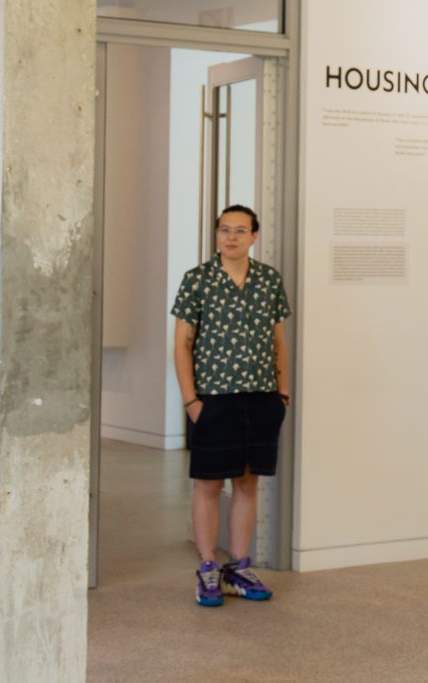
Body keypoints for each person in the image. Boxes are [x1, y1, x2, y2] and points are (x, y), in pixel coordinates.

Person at [171, 204, 292, 607]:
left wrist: (282, 393)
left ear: (254, 236)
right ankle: (208, 568)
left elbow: (278, 341)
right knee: (208, 484)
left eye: (240, 230)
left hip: (261, 397)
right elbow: (182, 345)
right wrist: (191, 401)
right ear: (217, 234)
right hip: (212, 399)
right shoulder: (197, 280)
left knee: (247, 482)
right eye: (225, 230)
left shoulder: (269, 280)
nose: (231, 237)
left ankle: (238, 567)